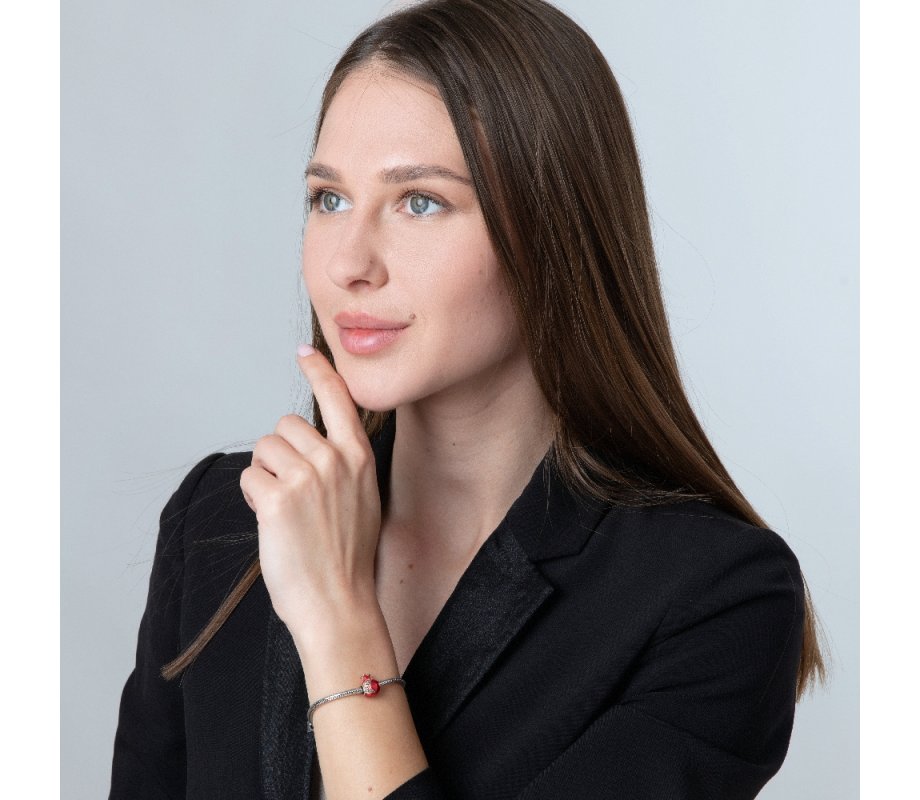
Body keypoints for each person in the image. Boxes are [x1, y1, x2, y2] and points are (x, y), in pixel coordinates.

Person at [110, 0, 825, 797]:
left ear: (553, 232)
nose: (349, 262)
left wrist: (340, 623)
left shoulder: (713, 598)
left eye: (420, 202)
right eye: (329, 198)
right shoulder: (223, 518)